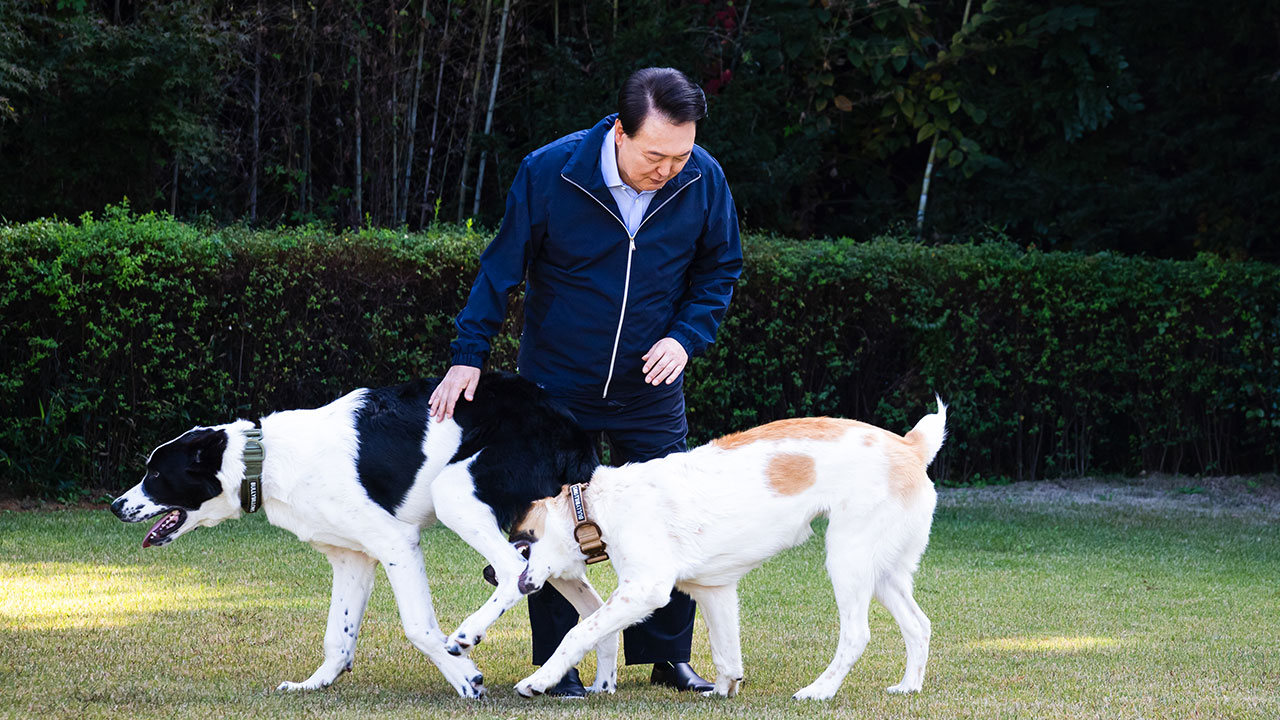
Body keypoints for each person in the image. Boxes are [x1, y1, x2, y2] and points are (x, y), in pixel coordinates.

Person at [429, 66, 743, 697]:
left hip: (649, 389)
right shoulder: (550, 171)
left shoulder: (703, 176)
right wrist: (468, 353)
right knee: (553, 522)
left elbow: (720, 269)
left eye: (681, 154)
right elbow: (500, 269)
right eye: (656, 154)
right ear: (620, 132)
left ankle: (666, 656)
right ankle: (560, 664)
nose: (670, 168)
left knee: (672, 517)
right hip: (556, 386)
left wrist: (685, 338)